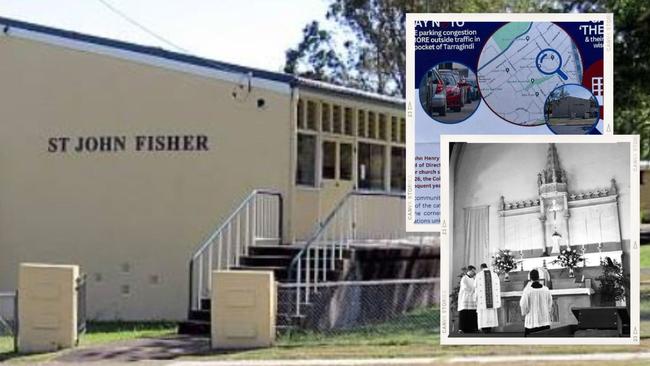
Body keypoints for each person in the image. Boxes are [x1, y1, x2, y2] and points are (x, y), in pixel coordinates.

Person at [520, 269, 554, 336]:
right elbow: (550, 303)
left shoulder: (527, 290)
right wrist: (548, 311)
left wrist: (524, 313)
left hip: (532, 322)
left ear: (530, 278)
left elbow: (523, 304)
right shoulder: (546, 289)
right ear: (538, 277)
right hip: (544, 320)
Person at [474, 263, 501, 333]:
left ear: (481, 268)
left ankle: (484, 328)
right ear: (487, 267)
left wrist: (475, 297)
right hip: (492, 300)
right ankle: (490, 327)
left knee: (483, 313)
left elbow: (475, 287)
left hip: (482, 300)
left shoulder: (478, 275)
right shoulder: (494, 275)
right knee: (491, 312)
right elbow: (497, 287)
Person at [457, 265, 477, 333]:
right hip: (465, 298)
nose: (474, 273)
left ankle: (471, 328)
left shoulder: (473, 279)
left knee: (472, 312)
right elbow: (464, 287)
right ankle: (462, 329)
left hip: (472, 298)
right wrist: (472, 291)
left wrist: (475, 291)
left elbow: (475, 286)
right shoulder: (464, 278)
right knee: (464, 312)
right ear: (470, 270)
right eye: (473, 271)